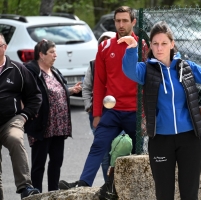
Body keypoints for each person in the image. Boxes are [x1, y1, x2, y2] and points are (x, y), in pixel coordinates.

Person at [118, 21, 201, 200]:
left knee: (189, 194)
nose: (159, 48)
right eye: (155, 44)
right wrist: (132, 48)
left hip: (190, 139)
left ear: (172, 44)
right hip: (161, 140)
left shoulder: (186, 67)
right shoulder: (146, 69)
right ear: (150, 46)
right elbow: (129, 71)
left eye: (164, 43)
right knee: (164, 194)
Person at [58, 5, 147, 189]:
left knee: (138, 153)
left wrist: (145, 116)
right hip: (111, 112)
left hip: (135, 112)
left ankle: (140, 188)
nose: (121, 25)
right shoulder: (105, 46)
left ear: (133, 22)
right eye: (118, 21)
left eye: (125, 21)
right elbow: (98, 83)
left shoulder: (143, 47)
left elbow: (148, 83)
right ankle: (83, 185)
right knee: (98, 146)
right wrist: (97, 114)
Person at [24, 39, 82, 193]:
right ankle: (36, 194)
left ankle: (53, 193)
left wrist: (70, 90)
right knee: (39, 164)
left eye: (55, 52)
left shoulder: (54, 71)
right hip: (42, 126)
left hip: (59, 127)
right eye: (52, 52)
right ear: (42, 55)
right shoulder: (32, 72)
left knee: (56, 162)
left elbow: (55, 92)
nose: (55, 55)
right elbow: (28, 94)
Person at [0, 33, 41, 199]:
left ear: (4, 47)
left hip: (11, 120)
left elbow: (35, 96)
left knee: (16, 139)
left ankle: (25, 187)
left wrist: (24, 116)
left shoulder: (17, 69)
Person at [82, 31, 116, 182]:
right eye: (103, 43)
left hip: (118, 113)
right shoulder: (93, 63)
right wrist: (90, 107)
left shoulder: (121, 61)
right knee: (103, 152)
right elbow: (87, 87)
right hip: (98, 113)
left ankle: (118, 184)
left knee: (119, 150)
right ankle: (107, 185)